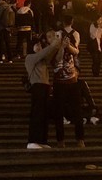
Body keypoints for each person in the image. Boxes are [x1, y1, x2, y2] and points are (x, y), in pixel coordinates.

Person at [25, 31, 65, 149]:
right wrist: (55, 42)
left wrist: (61, 46)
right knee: (37, 114)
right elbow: (45, 52)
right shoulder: (30, 58)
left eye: (39, 45)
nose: (39, 47)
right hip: (37, 87)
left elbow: (56, 57)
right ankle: (32, 140)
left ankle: (42, 140)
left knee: (44, 115)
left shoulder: (43, 60)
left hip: (45, 87)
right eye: (36, 45)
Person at [51, 16, 84, 148]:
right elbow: (55, 57)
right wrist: (62, 47)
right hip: (60, 77)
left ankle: (79, 138)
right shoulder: (58, 35)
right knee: (59, 111)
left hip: (71, 77)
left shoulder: (74, 34)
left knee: (77, 110)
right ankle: (61, 140)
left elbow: (76, 51)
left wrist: (67, 46)